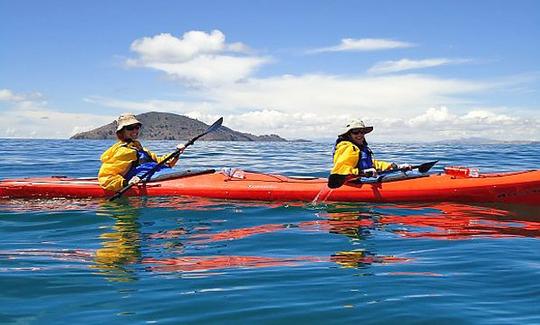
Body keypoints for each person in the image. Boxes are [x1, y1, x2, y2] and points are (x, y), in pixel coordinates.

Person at [98, 113, 185, 192]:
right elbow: (106, 177)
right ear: (122, 131)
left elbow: (159, 162)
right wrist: (126, 183)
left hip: (162, 174)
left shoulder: (137, 147)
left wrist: (176, 153)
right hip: (150, 180)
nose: (135, 130)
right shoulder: (123, 151)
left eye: (137, 127)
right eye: (130, 128)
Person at [328, 119, 411, 188]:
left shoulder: (359, 148)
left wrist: (395, 166)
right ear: (349, 134)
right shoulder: (348, 147)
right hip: (351, 183)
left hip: (362, 180)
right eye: (355, 132)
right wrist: (362, 172)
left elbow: (372, 163)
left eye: (362, 132)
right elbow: (340, 170)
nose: (359, 134)